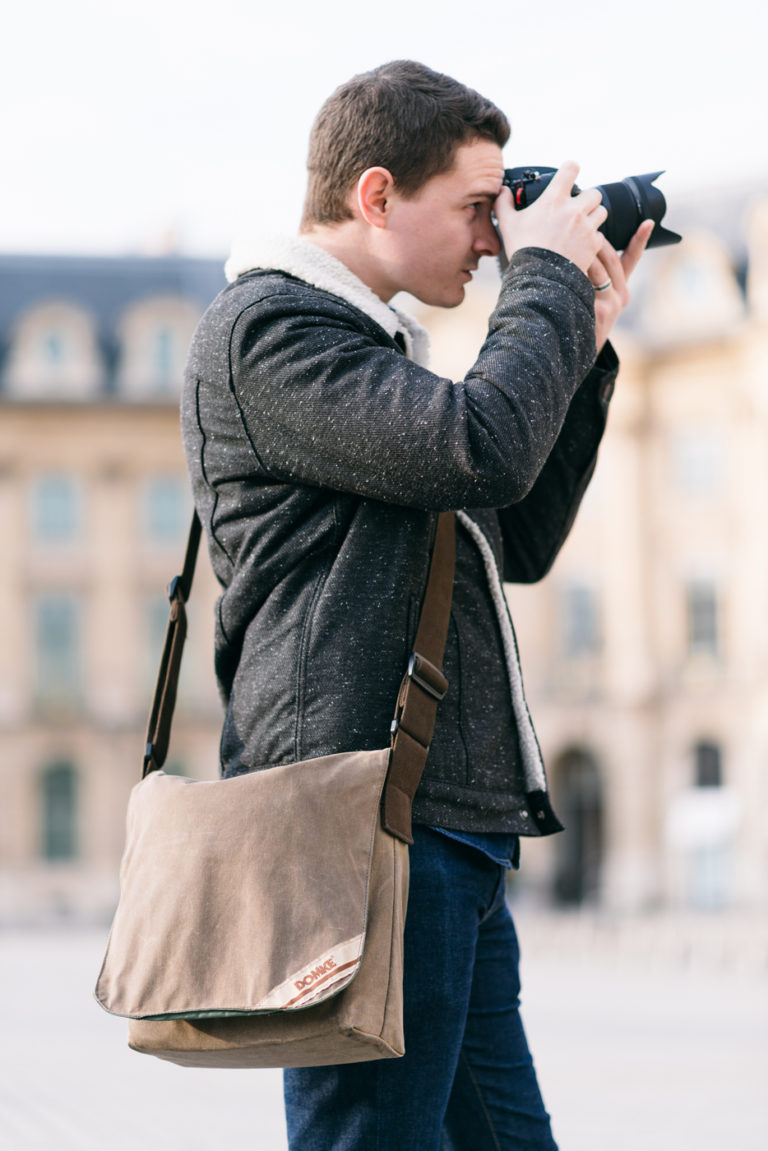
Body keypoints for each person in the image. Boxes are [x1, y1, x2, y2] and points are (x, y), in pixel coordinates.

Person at [181, 60, 652, 1151]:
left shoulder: (375, 353)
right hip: (360, 824)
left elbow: (516, 537)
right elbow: (479, 446)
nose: (497, 240)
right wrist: (539, 283)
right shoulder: (270, 333)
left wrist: (574, 337)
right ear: (377, 194)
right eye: (480, 210)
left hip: (447, 820)